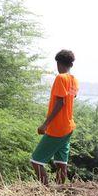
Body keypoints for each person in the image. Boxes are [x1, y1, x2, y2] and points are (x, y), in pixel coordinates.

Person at [31, 50, 78, 185]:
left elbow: (60, 102)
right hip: (69, 126)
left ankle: (45, 191)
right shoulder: (74, 80)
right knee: (61, 163)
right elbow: (72, 97)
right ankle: (59, 190)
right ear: (71, 64)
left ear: (58, 63)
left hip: (57, 127)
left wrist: (45, 124)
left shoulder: (60, 78)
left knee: (36, 161)